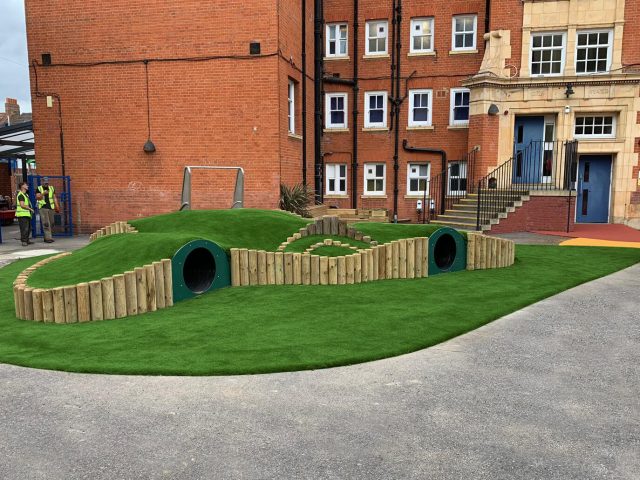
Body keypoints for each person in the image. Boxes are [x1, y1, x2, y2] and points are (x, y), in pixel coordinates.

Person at [36, 177, 59, 243]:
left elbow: (54, 198)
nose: (46, 184)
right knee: (46, 224)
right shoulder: (39, 188)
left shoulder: (51, 188)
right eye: (45, 182)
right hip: (43, 208)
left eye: (47, 183)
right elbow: (37, 197)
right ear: (42, 182)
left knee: (52, 223)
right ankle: (48, 238)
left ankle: (47, 236)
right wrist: (43, 193)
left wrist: (57, 206)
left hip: (51, 208)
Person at [15, 182, 34, 247]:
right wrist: (30, 209)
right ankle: (24, 241)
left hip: (26, 214)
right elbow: (22, 205)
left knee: (29, 228)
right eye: (26, 185)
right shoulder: (21, 195)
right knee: (24, 228)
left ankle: (26, 240)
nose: (27, 186)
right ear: (22, 186)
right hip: (22, 214)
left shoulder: (25, 194)